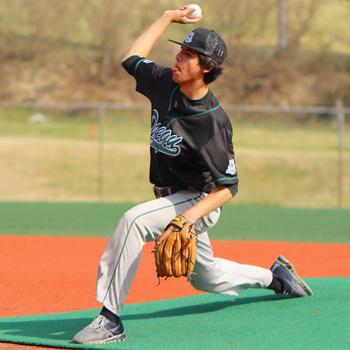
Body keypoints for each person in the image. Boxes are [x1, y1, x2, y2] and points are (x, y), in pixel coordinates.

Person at [72, 5, 313, 345]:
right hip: (171, 197)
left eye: (188, 55)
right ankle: (276, 278)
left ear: (206, 68)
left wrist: (186, 220)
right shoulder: (163, 83)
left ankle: (110, 319)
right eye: (180, 50)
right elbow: (132, 58)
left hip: (199, 200)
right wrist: (167, 17)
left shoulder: (211, 122)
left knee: (134, 222)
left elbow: (228, 187)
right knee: (207, 277)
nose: (178, 58)